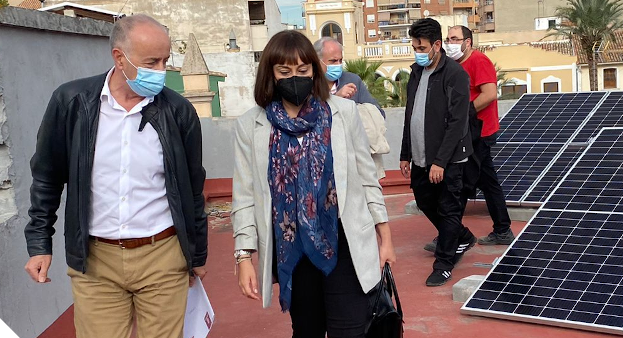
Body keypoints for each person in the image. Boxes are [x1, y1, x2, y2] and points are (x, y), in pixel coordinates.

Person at [22, 14, 208, 338]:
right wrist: (40, 242)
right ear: (119, 58)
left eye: (165, 60)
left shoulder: (179, 112)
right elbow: (47, 177)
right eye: (151, 61)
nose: (161, 71)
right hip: (96, 261)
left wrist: (198, 253)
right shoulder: (72, 102)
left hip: (163, 255)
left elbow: (193, 187)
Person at [233, 30, 395, 338]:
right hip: (293, 250)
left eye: (303, 70)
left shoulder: (344, 113)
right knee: (307, 331)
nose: (295, 77)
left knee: (351, 330)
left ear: (314, 70)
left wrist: (385, 238)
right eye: (284, 71)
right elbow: (244, 196)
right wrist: (243, 257)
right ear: (270, 74)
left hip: (345, 241)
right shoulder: (250, 126)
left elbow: (367, 178)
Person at [401, 18, 478, 287]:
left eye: (421, 47)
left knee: (448, 209)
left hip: (449, 160)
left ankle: (444, 264)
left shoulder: (455, 74)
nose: (418, 52)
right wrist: (404, 153)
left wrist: (440, 161)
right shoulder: (415, 73)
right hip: (421, 157)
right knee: (425, 202)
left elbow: (458, 122)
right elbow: (410, 115)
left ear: (436, 44)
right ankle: (462, 236)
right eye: (414, 47)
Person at [449, 25, 515, 246]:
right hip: (466, 131)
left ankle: (453, 235)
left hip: (480, 131)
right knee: (480, 182)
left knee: (469, 183)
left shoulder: (478, 61)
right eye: (448, 38)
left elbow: (489, 94)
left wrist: (464, 114)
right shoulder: (455, 64)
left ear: (467, 42)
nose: (450, 42)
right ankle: (500, 229)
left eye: (455, 38)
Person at [314, 37, 390, 177]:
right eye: (332, 61)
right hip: (326, 161)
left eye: (340, 60)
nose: (338, 65)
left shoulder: (353, 80)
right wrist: (337, 99)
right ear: (318, 61)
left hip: (358, 159)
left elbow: (378, 112)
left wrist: (354, 109)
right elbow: (310, 118)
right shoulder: (309, 86)